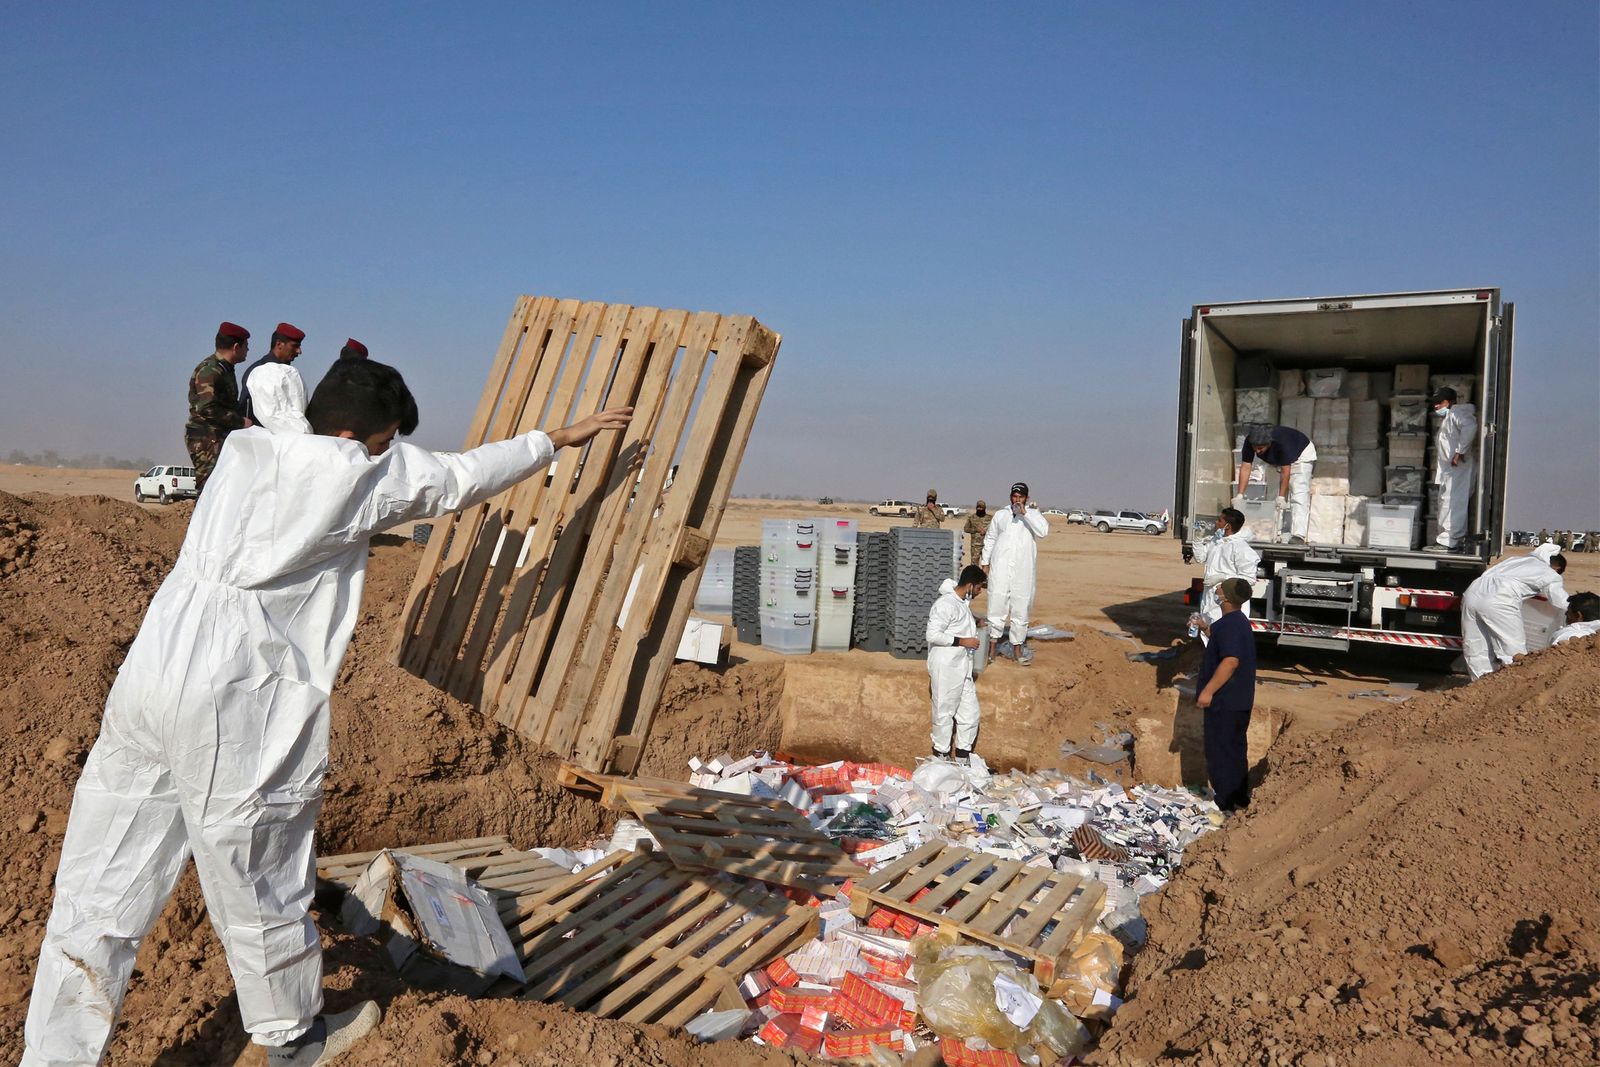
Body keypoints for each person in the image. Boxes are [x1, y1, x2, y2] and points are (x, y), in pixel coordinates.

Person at [22, 358, 632, 1067]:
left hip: (152, 672)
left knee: (100, 880)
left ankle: (55, 1056)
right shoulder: (347, 473)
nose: (384, 455)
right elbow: (457, 478)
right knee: (259, 865)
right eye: (382, 441)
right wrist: (556, 438)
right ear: (350, 434)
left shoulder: (248, 447)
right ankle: (288, 1036)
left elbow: (281, 402)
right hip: (234, 693)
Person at [1193, 577, 1257, 812]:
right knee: (1235, 749)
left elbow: (1230, 661)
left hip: (1225, 702)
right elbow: (1222, 641)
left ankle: (1225, 802)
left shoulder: (1232, 625)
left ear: (1227, 597)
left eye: (1220, 589)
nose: (1217, 591)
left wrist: (1208, 691)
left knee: (1221, 750)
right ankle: (1240, 798)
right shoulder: (1234, 622)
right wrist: (1204, 628)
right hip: (1238, 701)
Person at [1460, 551, 1569, 680]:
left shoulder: (1516, 560)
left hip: (1472, 594)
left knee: (1476, 647)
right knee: (1513, 650)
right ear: (1556, 567)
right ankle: (1513, 686)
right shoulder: (1549, 573)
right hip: (1499, 599)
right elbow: (1561, 601)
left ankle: (1479, 687)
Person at [981, 482, 1049, 664]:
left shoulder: (1034, 515)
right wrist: (985, 562)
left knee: (1021, 607)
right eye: (1014, 496)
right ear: (1010, 497)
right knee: (996, 604)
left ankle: (1017, 650)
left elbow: (1043, 532)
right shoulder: (1001, 515)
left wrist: (1026, 514)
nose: (1017, 499)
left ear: (1026, 498)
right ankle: (992, 648)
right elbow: (990, 538)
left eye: (1020, 496)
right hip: (1001, 568)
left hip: (1023, 570)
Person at [926, 565, 987, 760]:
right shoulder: (945, 604)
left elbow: (959, 619)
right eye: (978, 588)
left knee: (970, 714)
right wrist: (962, 641)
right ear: (969, 585)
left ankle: (962, 758)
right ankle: (941, 757)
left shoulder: (961, 602)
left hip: (962, 668)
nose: (979, 593)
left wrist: (975, 622)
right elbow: (932, 635)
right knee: (944, 712)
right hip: (946, 667)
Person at [185, 321, 251, 493]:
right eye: (246, 346)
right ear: (236, 347)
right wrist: (240, 422)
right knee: (209, 491)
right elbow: (206, 407)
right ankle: (200, 521)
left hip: (216, 436)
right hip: (206, 439)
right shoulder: (211, 370)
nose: (248, 351)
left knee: (221, 491)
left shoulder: (225, 369)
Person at [1182, 507, 1261, 642]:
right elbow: (1201, 558)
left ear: (1228, 526)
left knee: (1224, 637)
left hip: (1229, 603)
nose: (1216, 522)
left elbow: (1249, 580)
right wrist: (1198, 538)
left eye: (1219, 520)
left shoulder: (1240, 548)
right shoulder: (1217, 541)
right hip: (1211, 598)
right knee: (1210, 634)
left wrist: (1223, 578)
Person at [1236, 424, 1317, 545]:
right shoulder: (1250, 441)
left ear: (1269, 443)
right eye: (1255, 448)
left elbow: (1286, 471)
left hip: (1301, 455)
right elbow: (1246, 467)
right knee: (1271, 496)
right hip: (1276, 459)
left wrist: (1281, 497)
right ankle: (1273, 532)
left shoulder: (1282, 443)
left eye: (1260, 448)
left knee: (1298, 494)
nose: (1257, 451)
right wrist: (1240, 495)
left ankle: (1298, 535)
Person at [1423, 387, 1477, 553]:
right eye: (1435, 403)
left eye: (1440, 402)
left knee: (1453, 503)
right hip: (1451, 469)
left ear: (1450, 401)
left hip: (1458, 468)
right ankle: (1447, 539)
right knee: (1446, 502)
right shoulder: (1450, 417)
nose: (1437, 406)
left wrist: (1460, 451)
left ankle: (1450, 541)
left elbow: (1470, 427)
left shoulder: (1457, 412)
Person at [240, 322, 311, 433]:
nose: (299, 351)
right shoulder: (259, 372)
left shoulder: (289, 373)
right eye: (295, 346)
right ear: (279, 344)